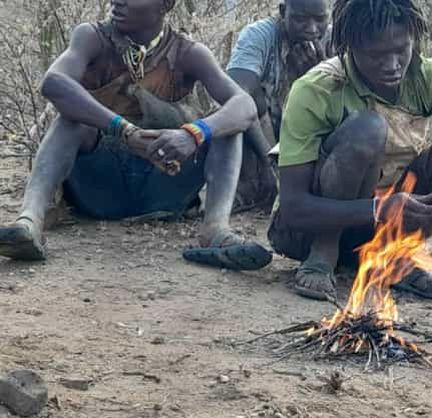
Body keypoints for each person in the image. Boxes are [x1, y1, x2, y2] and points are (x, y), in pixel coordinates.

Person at [268, 0, 432, 302]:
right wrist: (381, 209)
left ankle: (392, 257)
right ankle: (323, 257)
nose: (393, 65)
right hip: (307, 231)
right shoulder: (317, 90)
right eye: (376, 55)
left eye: (401, 50)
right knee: (368, 129)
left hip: (381, 226)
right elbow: (293, 209)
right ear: (349, 47)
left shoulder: (428, 78)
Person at [0, 0, 272, 271]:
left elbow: (244, 104)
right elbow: (53, 83)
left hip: (164, 186)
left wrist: (193, 135)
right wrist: (124, 130)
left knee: (227, 126)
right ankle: (30, 221)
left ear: (166, 4)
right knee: (69, 122)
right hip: (100, 189)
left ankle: (216, 229)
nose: (116, 1)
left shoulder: (188, 53)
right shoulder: (92, 37)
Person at [226, 0, 332, 213]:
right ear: (283, 12)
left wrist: (317, 75)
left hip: (308, 139)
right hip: (261, 137)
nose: (312, 29)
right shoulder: (260, 35)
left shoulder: (332, 38)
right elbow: (237, 91)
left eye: (320, 19)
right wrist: (269, 163)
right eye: (300, 19)